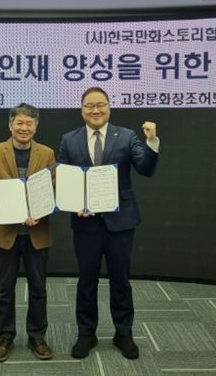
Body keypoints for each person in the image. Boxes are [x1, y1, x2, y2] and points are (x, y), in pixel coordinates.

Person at [57, 87, 159, 360]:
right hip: (85, 225)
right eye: (89, 105)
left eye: (100, 105)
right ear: (81, 110)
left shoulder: (126, 136)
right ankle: (86, 333)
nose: (95, 110)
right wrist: (74, 203)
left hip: (120, 223)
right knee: (86, 281)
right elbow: (63, 179)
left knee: (121, 280)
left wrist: (152, 142)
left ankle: (123, 333)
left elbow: (146, 169)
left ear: (109, 107)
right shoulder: (69, 139)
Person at [0, 103, 55, 363]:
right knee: (5, 289)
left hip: (36, 232)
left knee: (39, 289)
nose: (24, 128)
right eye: (19, 123)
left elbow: (52, 188)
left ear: (36, 127)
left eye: (29, 123)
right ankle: (5, 336)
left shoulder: (47, 153)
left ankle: (37, 336)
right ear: (10, 125)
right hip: (6, 233)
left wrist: (40, 211)